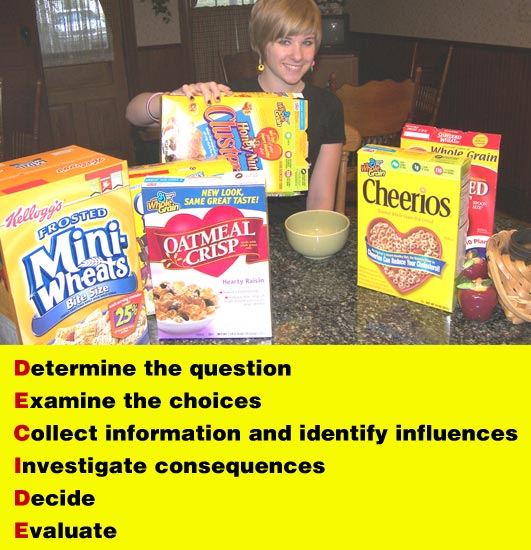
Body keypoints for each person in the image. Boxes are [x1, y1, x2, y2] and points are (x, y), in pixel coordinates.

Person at [126, 0, 345, 211]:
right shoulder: (227, 97)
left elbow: (320, 198)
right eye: (285, 41)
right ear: (260, 44)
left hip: (293, 232)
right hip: (227, 229)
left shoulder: (328, 105)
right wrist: (173, 99)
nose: (298, 55)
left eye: (307, 42)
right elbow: (133, 114)